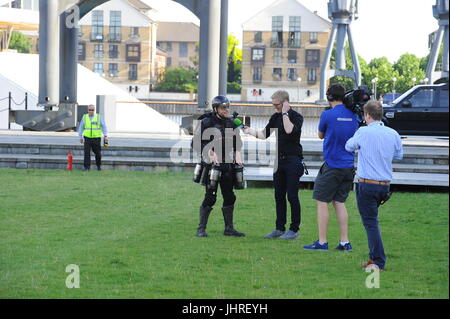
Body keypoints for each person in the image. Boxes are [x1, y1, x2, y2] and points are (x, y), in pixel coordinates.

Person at [345, 100, 403, 271]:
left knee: (371, 224)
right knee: (372, 222)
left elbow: (349, 146)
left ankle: (378, 260)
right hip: (384, 185)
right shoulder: (392, 133)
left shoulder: (363, 131)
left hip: (367, 184)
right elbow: (399, 155)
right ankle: (374, 257)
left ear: (367, 115)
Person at [303, 84, 358, 251]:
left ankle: (322, 241)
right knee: (339, 202)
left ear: (329, 97)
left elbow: (320, 135)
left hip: (332, 165)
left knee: (322, 201)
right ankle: (344, 242)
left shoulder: (327, 114)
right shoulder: (354, 115)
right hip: (349, 165)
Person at [243, 90, 304, 240]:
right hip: (280, 162)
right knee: (278, 196)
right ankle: (279, 228)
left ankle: (294, 229)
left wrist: (284, 113)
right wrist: (247, 130)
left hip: (293, 160)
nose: (274, 107)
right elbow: (264, 135)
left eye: (277, 105)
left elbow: (289, 130)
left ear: (285, 103)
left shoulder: (296, 117)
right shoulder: (275, 117)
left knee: (292, 196)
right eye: (273, 104)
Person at [195, 95, 245, 238]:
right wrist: (209, 152)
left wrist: (238, 153)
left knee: (230, 197)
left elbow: (238, 142)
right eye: (224, 107)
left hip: (228, 164)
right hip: (211, 165)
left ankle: (229, 229)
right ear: (216, 108)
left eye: (228, 107)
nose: (227, 109)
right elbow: (196, 143)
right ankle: (201, 229)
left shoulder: (231, 122)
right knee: (210, 197)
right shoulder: (206, 122)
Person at [78, 104, 108, 171]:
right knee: (87, 153)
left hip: (96, 138)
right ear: (87, 110)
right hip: (87, 138)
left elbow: (104, 126)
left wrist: (105, 135)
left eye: (92, 110)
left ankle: (98, 166)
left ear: (94, 110)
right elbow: (81, 127)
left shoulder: (98, 117)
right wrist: (80, 137)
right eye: (89, 110)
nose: (91, 111)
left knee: (98, 153)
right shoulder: (85, 117)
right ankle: (86, 167)